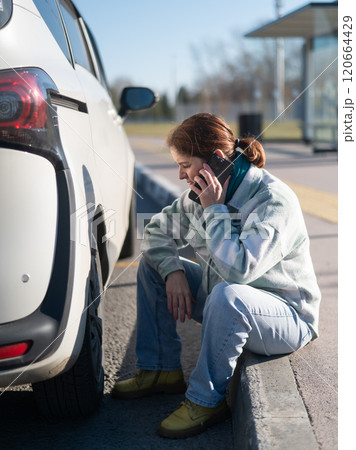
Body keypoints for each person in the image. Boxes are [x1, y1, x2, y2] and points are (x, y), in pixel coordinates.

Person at [111, 113, 321, 439]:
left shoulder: (271, 199)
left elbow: (239, 271)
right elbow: (153, 232)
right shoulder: (198, 194)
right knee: (156, 265)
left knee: (228, 294)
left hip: (285, 317)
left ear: (216, 160)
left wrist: (214, 210)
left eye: (185, 164)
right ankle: (160, 369)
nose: (180, 174)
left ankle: (206, 400)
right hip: (226, 300)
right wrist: (174, 271)